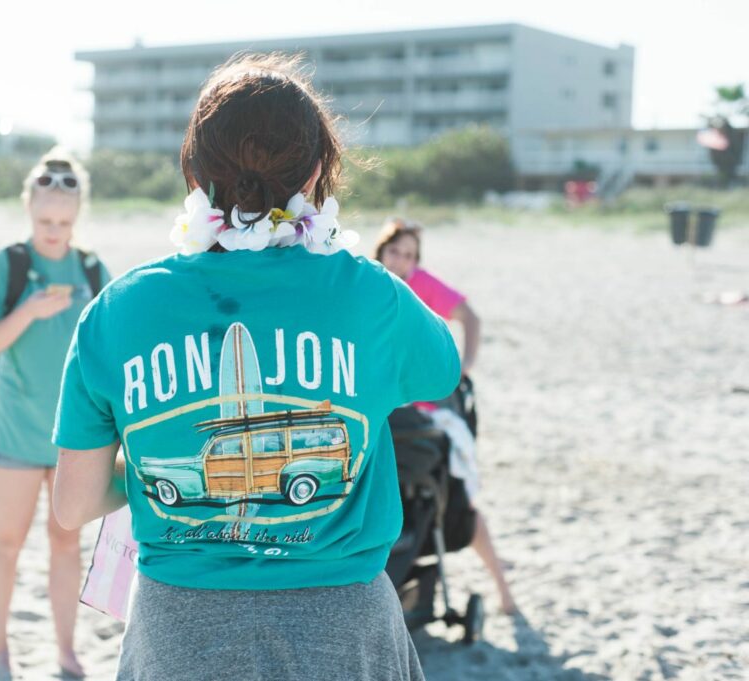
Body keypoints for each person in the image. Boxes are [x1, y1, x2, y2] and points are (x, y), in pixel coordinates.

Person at [51, 54, 462, 681]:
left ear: (193, 169)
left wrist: (145, 455)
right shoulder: (369, 294)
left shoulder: (118, 310)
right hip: (341, 623)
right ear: (319, 170)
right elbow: (441, 373)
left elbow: (74, 503)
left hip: (179, 631)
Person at [0, 148, 110, 680]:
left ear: (78, 217)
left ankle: (66, 652)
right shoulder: (5, 267)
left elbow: (109, 355)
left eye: (65, 223)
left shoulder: (94, 271)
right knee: (6, 541)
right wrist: (28, 309)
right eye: (46, 220)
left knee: (66, 541)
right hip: (14, 431)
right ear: (28, 207)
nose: (55, 232)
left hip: (74, 437)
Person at [375, 218, 517, 614]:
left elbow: (470, 317)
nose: (401, 261)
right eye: (394, 252)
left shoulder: (419, 287)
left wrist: (465, 365)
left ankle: (504, 592)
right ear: (380, 250)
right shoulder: (367, 285)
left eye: (408, 255)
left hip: (421, 413)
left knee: (456, 499)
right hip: (383, 411)